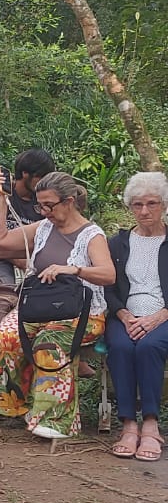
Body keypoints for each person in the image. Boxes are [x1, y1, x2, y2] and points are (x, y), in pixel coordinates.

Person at [0, 171, 115, 439]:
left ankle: (58, 420)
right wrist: (1, 199)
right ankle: (21, 405)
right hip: (40, 306)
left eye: (49, 206)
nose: (44, 212)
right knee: (5, 338)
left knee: (50, 342)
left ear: (69, 202)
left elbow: (108, 274)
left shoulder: (92, 235)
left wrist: (74, 269)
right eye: (40, 206)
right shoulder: (43, 227)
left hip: (81, 312)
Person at [105, 171, 168, 461]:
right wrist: (123, 314)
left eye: (152, 203)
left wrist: (158, 317)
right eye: (138, 204)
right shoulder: (117, 244)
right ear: (130, 206)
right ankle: (129, 424)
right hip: (125, 314)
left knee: (149, 346)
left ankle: (151, 424)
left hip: (163, 315)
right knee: (119, 346)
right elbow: (107, 287)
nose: (145, 211)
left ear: (163, 205)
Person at [0, 149, 55, 287]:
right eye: (41, 177)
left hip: (32, 259)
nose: (43, 182)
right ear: (25, 173)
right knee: (3, 289)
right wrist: (20, 262)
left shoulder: (41, 199)